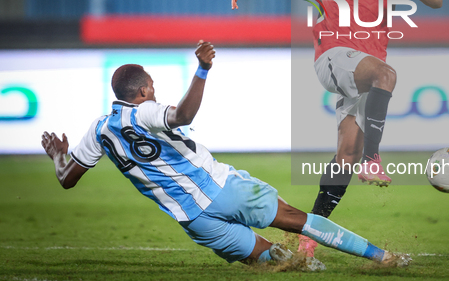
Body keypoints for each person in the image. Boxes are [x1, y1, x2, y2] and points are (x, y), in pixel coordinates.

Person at [41, 41, 411, 271]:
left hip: (195, 220)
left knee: (285, 264)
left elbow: (67, 178)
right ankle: (383, 257)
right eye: (152, 85)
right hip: (223, 188)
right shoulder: (146, 110)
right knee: (300, 221)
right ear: (143, 89)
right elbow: (183, 115)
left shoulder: (98, 129)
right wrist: (202, 69)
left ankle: (315, 269)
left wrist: (59, 156)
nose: (154, 89)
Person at [223, 0, 442, 256]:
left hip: (363, 69)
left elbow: (436, 0)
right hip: (333, 56)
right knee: (387, 75)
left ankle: (307, 239)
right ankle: (374, 157)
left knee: (345, 156)